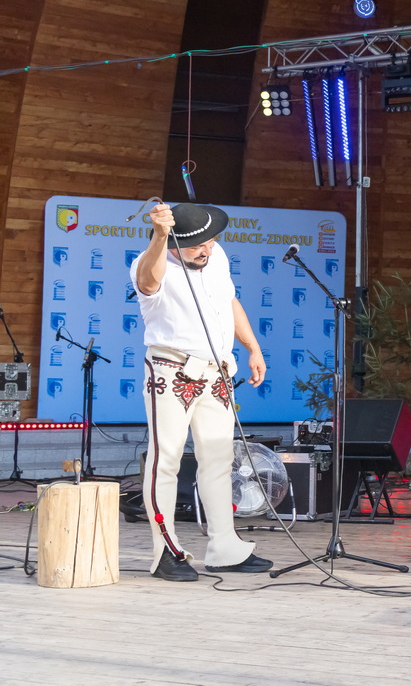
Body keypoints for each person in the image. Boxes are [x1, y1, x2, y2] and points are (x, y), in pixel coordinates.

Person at [132, 202, 271, 582]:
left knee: (219, 459)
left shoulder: (215, 255)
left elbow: (229, 300)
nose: (206, 250)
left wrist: (253, 346)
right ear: (174, 243)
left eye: (210, 242)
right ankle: (165, 551)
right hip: (172, 368)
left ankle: (225, 548)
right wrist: (160, 235)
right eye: (197, 246)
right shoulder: (151, 261)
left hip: (217, 370)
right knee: (166, 460)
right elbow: (148, 283)